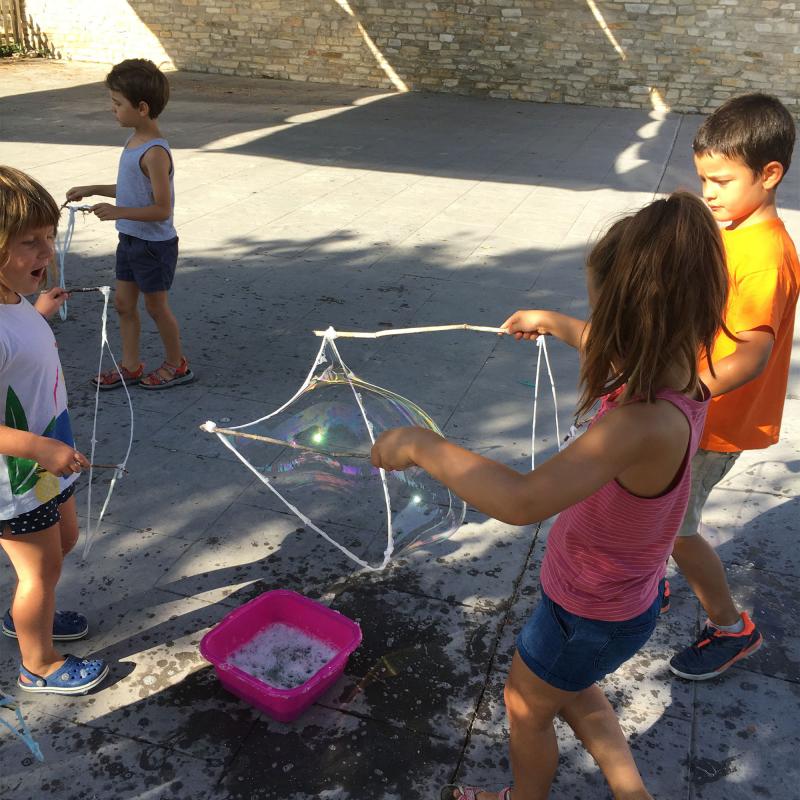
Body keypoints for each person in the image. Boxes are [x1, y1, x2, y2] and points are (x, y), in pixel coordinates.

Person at [372, 193, 728, 800]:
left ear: (631, 319)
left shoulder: (638, 423)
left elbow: (521, 500)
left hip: (586, 613)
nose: (598, 327)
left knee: (526, 705)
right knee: (572, 691)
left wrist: (420, 445)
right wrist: (553, 321)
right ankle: (630, 790)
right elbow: (608, 346)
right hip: (618, 605)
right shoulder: (679, 381)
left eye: (601, 311)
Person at [667, 93, 800, 680]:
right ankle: (649, 586)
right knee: (657, 505)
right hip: (695, 412)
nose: (709, 194)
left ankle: (731, 627)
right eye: (703, 179)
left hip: (713, 421)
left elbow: (751, 352)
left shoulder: (766, 257)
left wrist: (681, 392)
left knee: (676, 527)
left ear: (769, 174)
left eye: (721, 180)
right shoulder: (735, 230)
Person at [0, 166, 108, 695]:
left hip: (45, 463)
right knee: (38, 573)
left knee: (65, 539)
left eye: (48, 236)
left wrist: (37, 314)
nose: (47, 252)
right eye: (30, 242)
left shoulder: (12, 297)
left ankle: (27, 618)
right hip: (16, 478)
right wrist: (38, 447)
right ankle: (37, 663)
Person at [66, 58, 192, 390]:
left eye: (117, 103)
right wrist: (93, 189)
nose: (113, 109)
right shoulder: (135, 140)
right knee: (123, 304)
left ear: (142, 108)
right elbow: (134, 190)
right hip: (131, 240)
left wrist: (119, 212)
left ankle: (177, 364)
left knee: (155, 307)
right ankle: (131, 365)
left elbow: (162, 209)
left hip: (154, 245)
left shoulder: (154, 152)